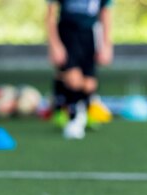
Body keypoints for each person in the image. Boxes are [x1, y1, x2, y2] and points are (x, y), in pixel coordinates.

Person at [46, 0, 113, 140]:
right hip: (67, 34)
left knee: (89, 85)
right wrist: (54, 44)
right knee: (73, 79)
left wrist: (107, 45)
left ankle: (69, 101)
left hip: (90, 35)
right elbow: (50, 14)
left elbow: (105, 13)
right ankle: (74, 117)